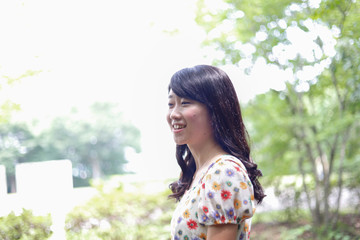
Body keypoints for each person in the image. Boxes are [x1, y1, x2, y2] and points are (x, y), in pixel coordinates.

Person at [167, 65, 265, 240]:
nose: (173, 114)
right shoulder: (201, 173)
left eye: (185, 103)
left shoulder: (224, 172)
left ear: (216, 110)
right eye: (170, 104)